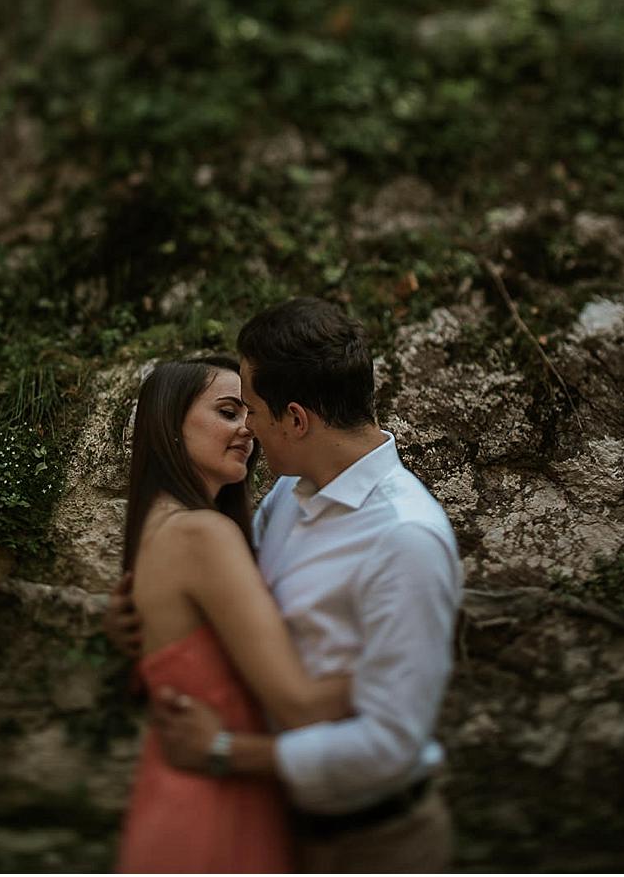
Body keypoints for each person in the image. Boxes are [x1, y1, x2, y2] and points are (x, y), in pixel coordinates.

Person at [106, 298, 464, 873]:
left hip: (376, 845)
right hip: (278, 823)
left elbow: (391, 745)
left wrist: (226, 752)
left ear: (295, 419)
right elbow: (235, 619)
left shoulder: (405, 539)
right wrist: (150, 619)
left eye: (250, 410)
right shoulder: (287, 500)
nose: (247, 427)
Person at [114, 355, 355, 873]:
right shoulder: (202, 535)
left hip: (180, 795)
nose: (247, 428)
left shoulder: (161, 524)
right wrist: (408, 646)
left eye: (249, 412)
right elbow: (299, 706)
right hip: (214, 810)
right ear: (168, 424)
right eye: (228, 412)